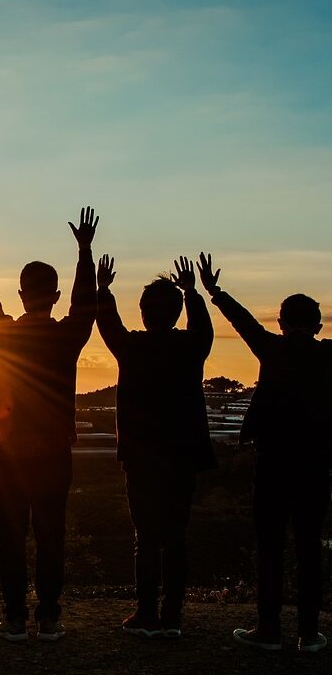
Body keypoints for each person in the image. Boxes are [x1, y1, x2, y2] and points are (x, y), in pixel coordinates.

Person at [0, 204, 97, 641]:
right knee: (51, 534)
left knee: (11, 535)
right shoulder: (67, 336)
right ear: (54, 295)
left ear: (21, 294)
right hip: (55, 451)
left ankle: (16, 617)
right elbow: (86, 306)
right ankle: (50, 617)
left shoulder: (5, 334)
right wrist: (84, 253)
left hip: (8, 451)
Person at [199, 253, 330, 653]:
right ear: (319, 325)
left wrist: (215, 292)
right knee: (309, 547)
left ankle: (268, 628)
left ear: (281, 323)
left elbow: (243, 323)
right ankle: (309, 633)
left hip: (273, 462)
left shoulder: (272, 349)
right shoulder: (328, 355)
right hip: (316, 465)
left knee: (270, 545)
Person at [96, 255, 215, 639]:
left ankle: (146, 614)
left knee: (145, 536)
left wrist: (103, 290)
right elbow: (204, 330)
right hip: (182, 456)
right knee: (176, 535)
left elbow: (107, 324)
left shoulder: (132, 348)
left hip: (142, 458)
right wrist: (193, 293)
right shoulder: (191, 347)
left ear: (143, 312)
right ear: (177, 312)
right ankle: (173, 616)